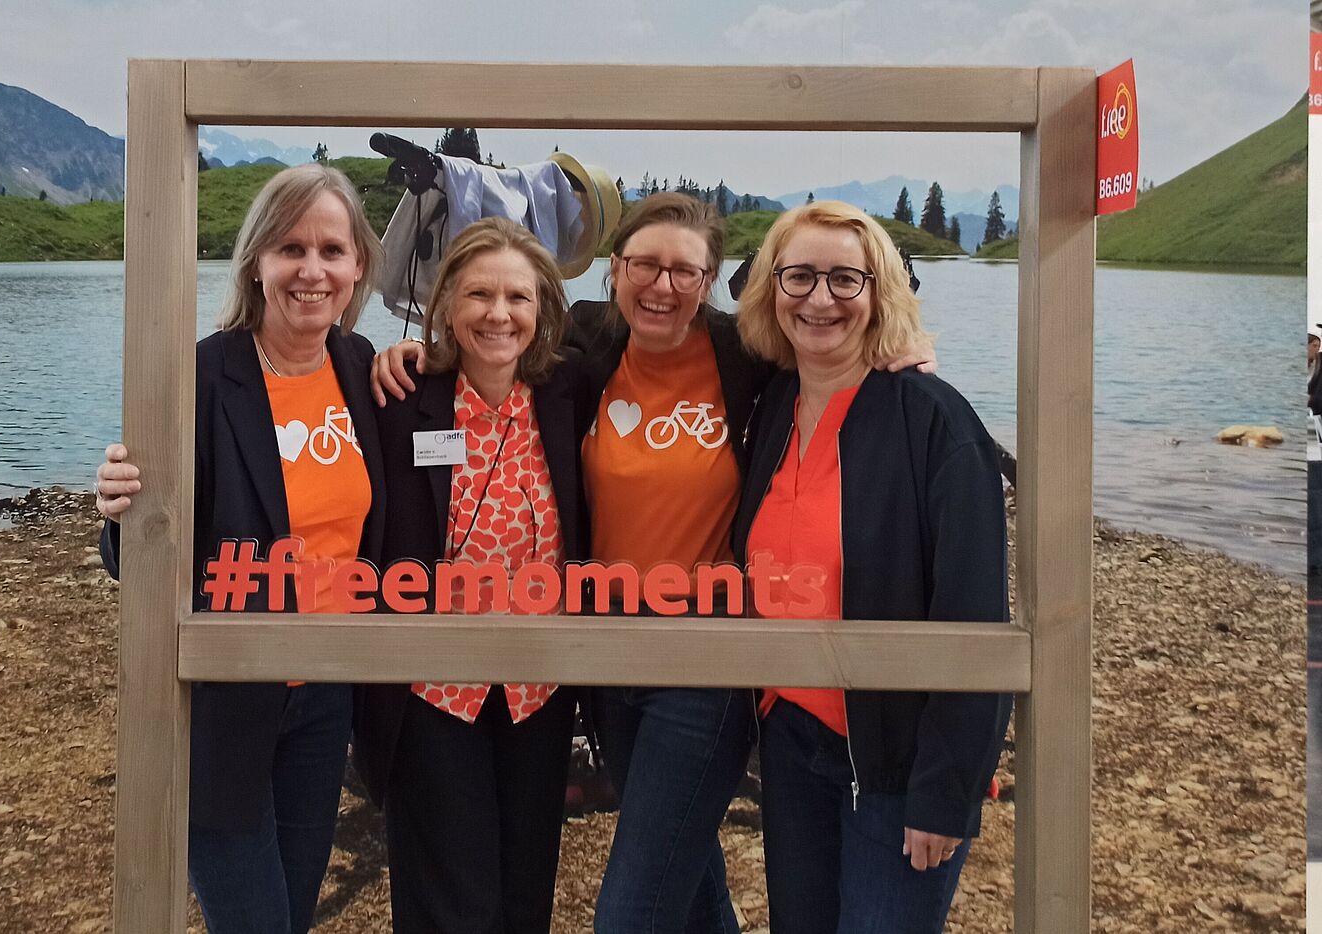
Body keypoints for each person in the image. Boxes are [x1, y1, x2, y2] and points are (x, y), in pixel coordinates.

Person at [372, 191, 936, 934]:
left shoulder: (746, 357)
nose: (662, 286)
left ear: (710, 282)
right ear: (615, 269)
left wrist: (899, 352)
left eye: (685, 271)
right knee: (684, 870)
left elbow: (826, 342)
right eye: (645, 265)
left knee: (635, 905)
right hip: (606, 664)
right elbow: (495, 338)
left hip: (703, 664)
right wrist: (407, 350)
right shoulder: (588, 350)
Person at [94, 163, 386, 934]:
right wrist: (119, 508)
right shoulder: (198, 375)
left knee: (293, 911)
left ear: (359, 265)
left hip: (326, 694)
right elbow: (136, 557)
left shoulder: (363, 367)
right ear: (257, 261)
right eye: (291, 248)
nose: (312, 270)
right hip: (222, 699)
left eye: (332, 250)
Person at [732, 200, 1011, 933]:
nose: (820, 299)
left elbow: (976, 614)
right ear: (771, 288)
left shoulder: (934, 419)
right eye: (798, 276)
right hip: (791, 739)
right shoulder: (774, 404)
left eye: (845, 280)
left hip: (895, 759)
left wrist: (947, 791)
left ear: (879, 291)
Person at [351, 216, 588, 934]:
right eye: (479, 294)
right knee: (451, 904)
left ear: (542, 309)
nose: (498, 314)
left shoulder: (569, 392)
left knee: (524, 896)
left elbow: (666, 325)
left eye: (518, 296)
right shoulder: (400, 400)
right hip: (434, 693)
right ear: (447, 303)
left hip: (537, 693)